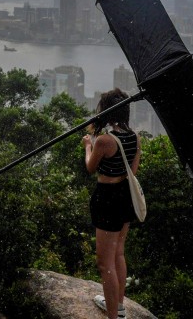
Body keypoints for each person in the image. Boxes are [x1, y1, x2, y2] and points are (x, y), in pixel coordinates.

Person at [83, 88, 141, 319]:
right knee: (118, 254)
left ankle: (113, 316)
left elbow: (90, 167)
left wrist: (89, 144)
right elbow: (133, 171)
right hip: (125, 196)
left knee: (104, 262)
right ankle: (118, 306)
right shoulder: (134, 136)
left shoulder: (105, 141)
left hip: (107, 198)